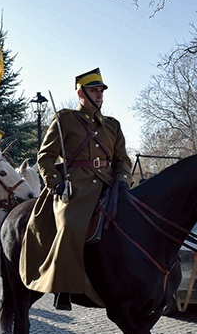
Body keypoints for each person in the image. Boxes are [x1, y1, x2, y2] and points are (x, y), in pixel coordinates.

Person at [19, 68, 132, 311]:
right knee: (70, 225)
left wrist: (123, 179)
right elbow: (45, 157)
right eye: (94, 90)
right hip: (75, 185)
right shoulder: (66, 120)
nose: (99, 95)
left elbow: (123, 159)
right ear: (81, 93)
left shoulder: (112, 125)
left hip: (110, 182)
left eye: (101, 91)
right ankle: (64, 286)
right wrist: (55, 182)